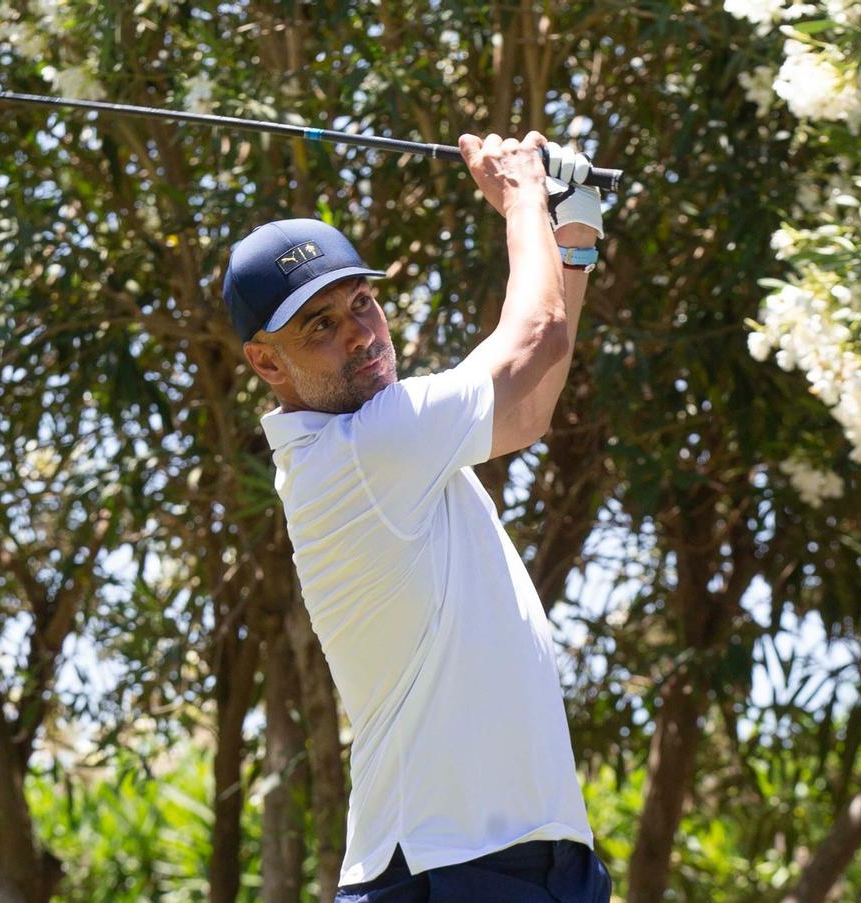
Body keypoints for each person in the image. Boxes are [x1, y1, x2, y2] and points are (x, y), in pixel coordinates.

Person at [222, 131, 612, 902]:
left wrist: (574, 233)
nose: (361, 334)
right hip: (448, 871)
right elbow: (533, 338)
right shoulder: (365, 451)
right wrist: (523, 195)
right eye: (320, 326)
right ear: (267, 362)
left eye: (362, 302)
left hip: (530, 865)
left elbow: (527, 408)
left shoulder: (385, 451)